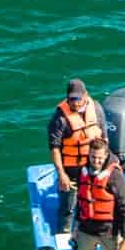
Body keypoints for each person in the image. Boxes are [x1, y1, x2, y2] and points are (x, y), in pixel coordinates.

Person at [48, 79, 107, 232]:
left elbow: (104, 139)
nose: (75, 102)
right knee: (68, 208)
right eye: (71, 99)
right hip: (71, 172)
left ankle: (91, 234)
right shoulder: (60, 119)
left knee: (94, 203)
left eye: (78, 98)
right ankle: (64, 237)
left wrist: (107, 167)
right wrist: (62, 174)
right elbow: (55, 148)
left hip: (93, 168)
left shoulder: (97, 109)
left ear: (86, 95)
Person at [74, 140, 125, 250]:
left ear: (106, 156)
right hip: (85, 230)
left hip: (109, 232)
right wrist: (75, 228)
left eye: (100, 158)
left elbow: (124, 207)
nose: (96, 161)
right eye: (93, 157)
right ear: (88, 155)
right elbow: (81, 200)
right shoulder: (82, 172)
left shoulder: (115, 176)